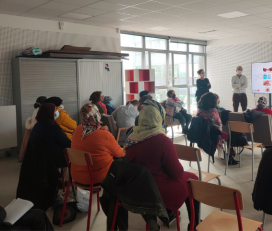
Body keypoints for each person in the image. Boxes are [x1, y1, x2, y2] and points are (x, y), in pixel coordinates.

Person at [124, 99, 200, 229]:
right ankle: (194, 223)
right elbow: (176, 174)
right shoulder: (162, 140)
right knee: (193, 178)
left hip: (140, 190)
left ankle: (170, 213)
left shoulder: (131, 139)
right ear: (159, 117)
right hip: (159, 192)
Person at [71, 103, 125, 184]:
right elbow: (120, 154)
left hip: (76, 175)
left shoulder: (77, 129)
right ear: (95, 115)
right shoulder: (104, 135)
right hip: (97, 177)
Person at [198, 92, 238, 165]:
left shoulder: (200, 111)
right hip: (213, 133)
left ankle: (228, 155)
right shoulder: (213, 111)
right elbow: (218, 125)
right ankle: (230, 157)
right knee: (230, 137)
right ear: (212, 101)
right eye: (217, 100)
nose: (218, 101)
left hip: (203, 133)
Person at [30, 103, 71, 168]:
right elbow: (67, 143)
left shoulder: (37, 126)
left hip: (39, 160)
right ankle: (65, 178)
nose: (56, 112)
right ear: (49, 113)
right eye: (55, 110)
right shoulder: (53, 127)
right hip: (54, 160)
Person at [20, 96, 47, 162]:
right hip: (36, 133)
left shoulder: (36, 109)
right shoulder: (40, 111)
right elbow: (34, 124)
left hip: (32, 132)